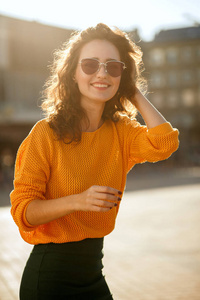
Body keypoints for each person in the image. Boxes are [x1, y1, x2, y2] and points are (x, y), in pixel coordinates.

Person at [10, 23, 179, 300]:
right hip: (50, 279)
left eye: (113, 67)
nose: (102, 73)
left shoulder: (121, 132)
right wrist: (77, 201)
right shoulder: (46, 133)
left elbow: (165, 143)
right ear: (73, 74)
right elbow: (23, 212)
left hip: (93, 275)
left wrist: (132, 91)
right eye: (90, 65)